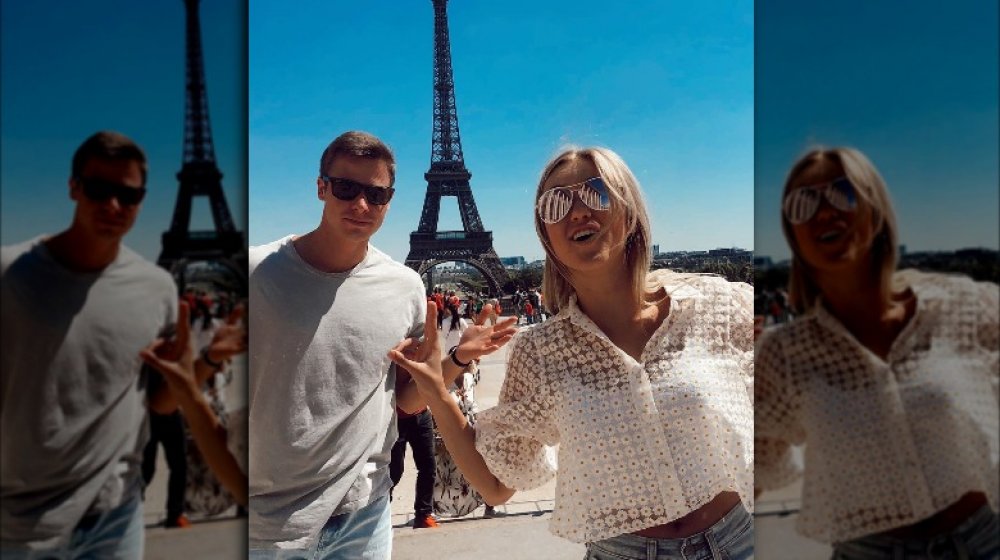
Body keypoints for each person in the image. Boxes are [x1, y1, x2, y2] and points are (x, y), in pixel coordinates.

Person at [390, 146, 754, 559]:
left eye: (597, 193)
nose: (578, 211)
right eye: (558, 202)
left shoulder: (718, 305)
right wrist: (438, 391)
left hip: (740, 542)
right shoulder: (541, 352)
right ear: (546, 236)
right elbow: (495, 485)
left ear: (629, 212)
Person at [247, 131, 517, 557]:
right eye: (346, 188)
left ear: (389, 201)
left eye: (376, 194)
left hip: (363, 517)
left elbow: (408, 401)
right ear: (321, 187)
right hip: (267, 522)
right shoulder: (254, 273)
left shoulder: (405, 287)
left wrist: (460, 356)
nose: (360, 205)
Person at [754, 147, 999, 558]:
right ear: (792, 234)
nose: (825, 211)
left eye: (842, 193)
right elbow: (751, 465)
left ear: (876, 208)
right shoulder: (785, 355)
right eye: (803, 203)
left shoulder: (962, 307)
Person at [0, 131, 191, 557]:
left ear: (142, 199)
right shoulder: (8, 275)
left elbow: (157, 404)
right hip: (19, 522)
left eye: (128, 194)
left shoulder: (158, 289)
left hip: (115, 517)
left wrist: (190, 368)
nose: (113, 205)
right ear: (73, 187)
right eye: (98, 189)